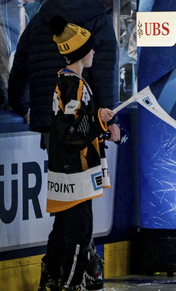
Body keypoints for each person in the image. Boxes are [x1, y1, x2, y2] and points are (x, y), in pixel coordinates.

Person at [10, 0, 119, 151]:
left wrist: (22, 106)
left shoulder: (38, 18)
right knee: (86, 175)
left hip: (50, 117)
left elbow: (20, 67)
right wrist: (110, 117)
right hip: (88, 117)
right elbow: (105, 71)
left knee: (59, 178)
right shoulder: (99, 18)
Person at [39, 15, 111, 291]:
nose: (93, 51)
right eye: (89, 48)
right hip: (75, 170)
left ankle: (52, 279)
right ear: (80, 54)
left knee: (64, 227)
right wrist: (97, 120)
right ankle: (71, 283)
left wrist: (100, 125)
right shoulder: (74, 85)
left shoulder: (69, 81)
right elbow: (70, 132)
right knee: (79, 230)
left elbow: (74, 127)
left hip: (65, 167)